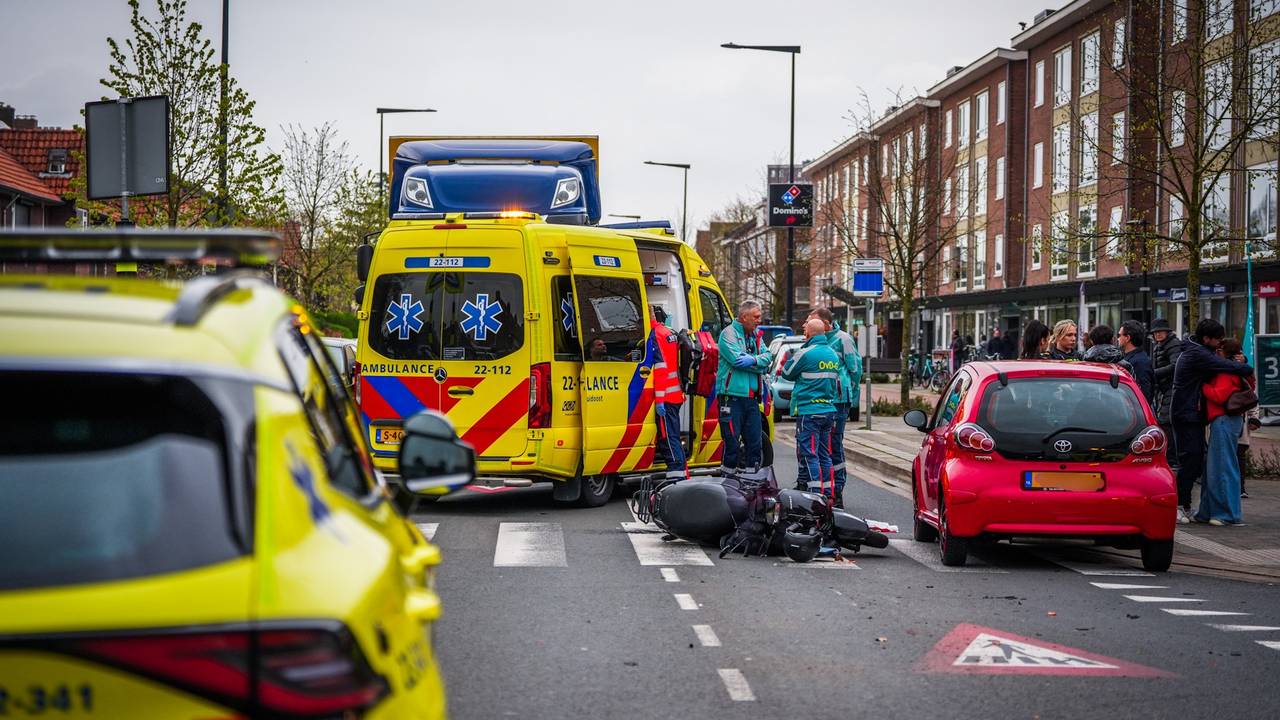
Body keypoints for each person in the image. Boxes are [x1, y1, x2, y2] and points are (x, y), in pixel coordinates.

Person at [1170, 318, 1253, 524]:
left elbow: (1221, 384)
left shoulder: (1197, 350)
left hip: (1194, 414)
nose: (1219, 345)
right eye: (1217, 340)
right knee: (1193, 459)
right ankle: (1183, 505)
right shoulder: (1199, 354)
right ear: (1207, 339)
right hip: (1188, 414)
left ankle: (1194, 507)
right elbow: (1223, 369)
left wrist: (1240, 365)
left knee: (1204, 462)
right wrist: (1243, 366)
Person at [804, 307, 861, 507]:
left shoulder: (843, 339)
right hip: (821, 400)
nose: (809, 326)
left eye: (813, 322)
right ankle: (817, 487)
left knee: (833, 445)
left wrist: (848, 393)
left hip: (837, 400)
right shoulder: (815, 340)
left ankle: (837, 490)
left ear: (826, 324)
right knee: (818, 447)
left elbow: (854, 368)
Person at [780, 318, 840, 498]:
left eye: (806, 328)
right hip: (828, 410)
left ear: (808, 334)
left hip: (809, 411)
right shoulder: (833, 354)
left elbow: (787, 373)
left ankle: (815, 495)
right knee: (825, 455)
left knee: (809, 454)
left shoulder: (805, 352)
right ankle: (828, 493)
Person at [1197, 338, 1252, 526]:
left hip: (1223, 419)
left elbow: (1219, 395)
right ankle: (1208, 511)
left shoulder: (1226, 372)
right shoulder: (1238, 369)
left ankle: (1225, 513)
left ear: (1223, 352)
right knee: (1218, 466)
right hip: (1228, 420)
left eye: (1219, 350)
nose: (1215, 353)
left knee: (1221, 466)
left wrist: (1202, 386)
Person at [716, 301, 772, 470]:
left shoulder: (756, 336)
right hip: (731, 399)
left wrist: (754, 360)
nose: (759, 320)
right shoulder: (728, 334)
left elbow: (768, 357)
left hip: (751, 399)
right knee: (732, 445)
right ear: (743, 317)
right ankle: (729, 483)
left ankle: (751, 483)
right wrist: (759, 362)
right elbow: (737, 361)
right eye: (756, 317)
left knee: (755, 445)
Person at [649, 306, 687, 481]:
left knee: (668, 438)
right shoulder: (667, 331)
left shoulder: (654, 334)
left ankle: (676, 476)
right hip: (675, 392)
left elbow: (661, 368)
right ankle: (681, 473)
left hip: (666, 395)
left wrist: (659, 400)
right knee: (673, 435)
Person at [1150, 318, 1184, 469]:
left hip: (1172, 388)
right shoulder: (1160, 345)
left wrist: (1154, 374)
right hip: (1164, 388)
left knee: (1166, 421)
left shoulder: (1173, 344)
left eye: (1160, 331)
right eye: (1155, 332)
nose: (1157, 334)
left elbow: (1175, 365)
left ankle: (1173, 459)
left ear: (1167, 332)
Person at [1117, 320, 1155, 404]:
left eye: (1119, 335)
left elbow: (1144, 395)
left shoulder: (1140, 362)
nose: (1118, 338)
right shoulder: (1127, 358)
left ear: (1127, 338)